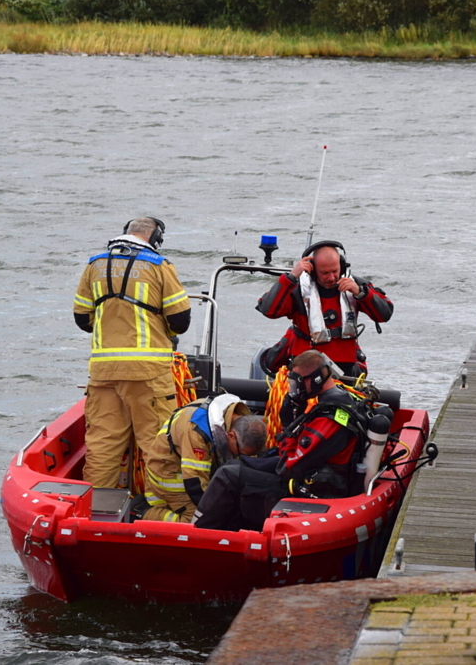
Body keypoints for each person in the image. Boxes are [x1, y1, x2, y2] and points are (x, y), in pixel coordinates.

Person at [73, 217, 191, 488]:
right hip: (148, 372)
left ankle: (96, 510)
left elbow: (82, 318)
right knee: (158, 444)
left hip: (103, 372)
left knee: (103, 445)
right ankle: (161, 510)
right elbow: (180, 321)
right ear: (155, 238)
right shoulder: (159, 266)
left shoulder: (95, 265)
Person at [192, 350, 369, 531]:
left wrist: (287, 428)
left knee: (228, 476)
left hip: (315, 492)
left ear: (315, 379)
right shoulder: (337, 401)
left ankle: (197, 533)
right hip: (311, 476)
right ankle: (227, 531)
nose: (295, 390)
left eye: (297, 383)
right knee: (242, 464)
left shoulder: (328, 420)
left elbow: (288, 468)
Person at [256, 240, 393, 377]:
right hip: (304, 363)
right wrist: (291, 277)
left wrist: (360, 293)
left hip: (344, 364)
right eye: (325, 273)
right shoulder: (297, 289)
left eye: (335, 271)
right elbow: (269, 310)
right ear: (313, 270)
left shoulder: (356, 286)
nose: (331, 278)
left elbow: (384, 314)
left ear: (342, 265)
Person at [141, 394, 267, 522]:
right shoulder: (197, 433)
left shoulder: (231, 417)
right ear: (231, 436)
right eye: (241, 453)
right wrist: (212, 511)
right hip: (169, 473)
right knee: (196, 521)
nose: (241, 457)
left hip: (186, 464)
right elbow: (194, 482)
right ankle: (142, 512)